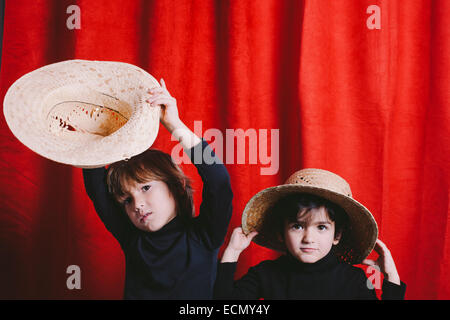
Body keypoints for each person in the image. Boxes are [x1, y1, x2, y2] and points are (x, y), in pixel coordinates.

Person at [83, 79, 233, 299]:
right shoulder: (132, 238)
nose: (138, 205)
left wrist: (174, 125)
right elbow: (97, 188)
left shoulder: (204, 235)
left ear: (175, 186)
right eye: (127, 200)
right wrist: (96, 128)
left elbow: (219, 183)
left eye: (145, 188)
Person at [214, 169, 406, 300]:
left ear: (336, 235)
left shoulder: (354, 280)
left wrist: (391, 276)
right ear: (282, 232)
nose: (308, 238)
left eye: (321, 227)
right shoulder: (265, 274)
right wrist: (232, 253)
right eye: (297, 226)